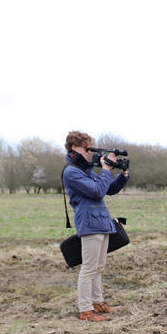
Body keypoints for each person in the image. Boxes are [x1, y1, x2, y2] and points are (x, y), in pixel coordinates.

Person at [63, 130, 129, 323]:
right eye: (86, 148)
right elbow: (98, 191)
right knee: (89, 268)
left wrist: (123, 174)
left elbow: (110, 189)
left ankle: (98, 302)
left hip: (101, 222)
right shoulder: (72, 172)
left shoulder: (87, 171)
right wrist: (106, 170)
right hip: (90, 224)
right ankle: (85, 310)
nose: (89, 152)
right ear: (74, 147)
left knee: (98, 267)